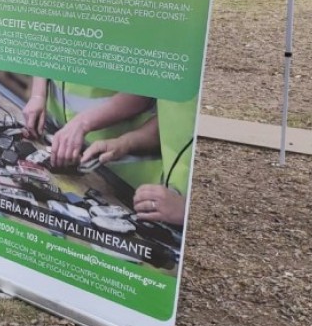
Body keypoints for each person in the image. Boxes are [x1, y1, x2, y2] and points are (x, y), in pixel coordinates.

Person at [23, 79, 195, 227]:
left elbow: (145, 93)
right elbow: (171, 121)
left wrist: (186, 210)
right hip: (157, 202)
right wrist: (124, 143)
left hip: (170, 206)